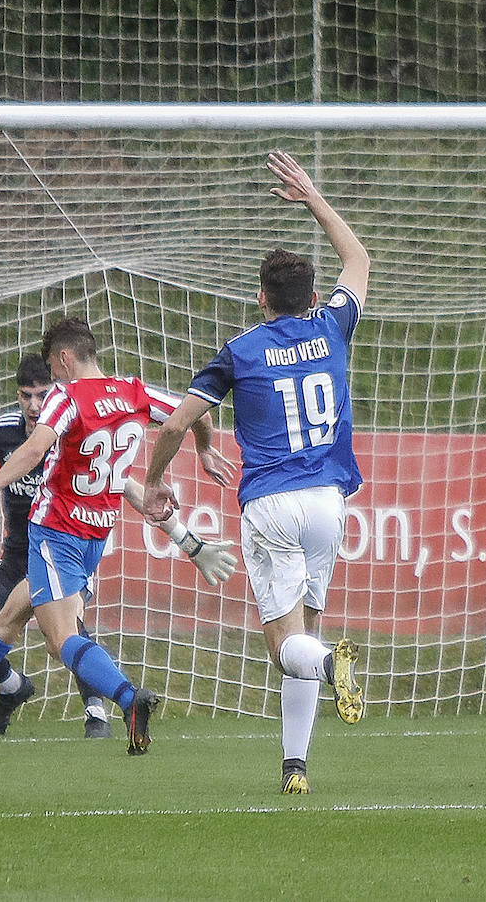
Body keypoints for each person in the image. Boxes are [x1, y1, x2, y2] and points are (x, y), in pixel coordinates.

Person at [0, 354, 235, 738]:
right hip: (31, 552)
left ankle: (119, 701)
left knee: (61, 637)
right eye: (25, 396)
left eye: (41, 394)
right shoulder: (8, 431)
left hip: (60, 541)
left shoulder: (68, 418)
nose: (34, 404)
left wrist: (191, 542)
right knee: (4, 621)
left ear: (59, 375)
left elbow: (132, 489)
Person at [142, 151, 369, 795]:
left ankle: (330, 666)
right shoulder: (333, 327)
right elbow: (360, 261)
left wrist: (158, 482)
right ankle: (295, 766)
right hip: (330, 499)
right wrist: (315, 199)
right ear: (314, 297)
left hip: (272, 502)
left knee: (286, 647)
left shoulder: (240, 351)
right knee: (307, 628)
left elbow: (175, 424)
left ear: (262, 297)